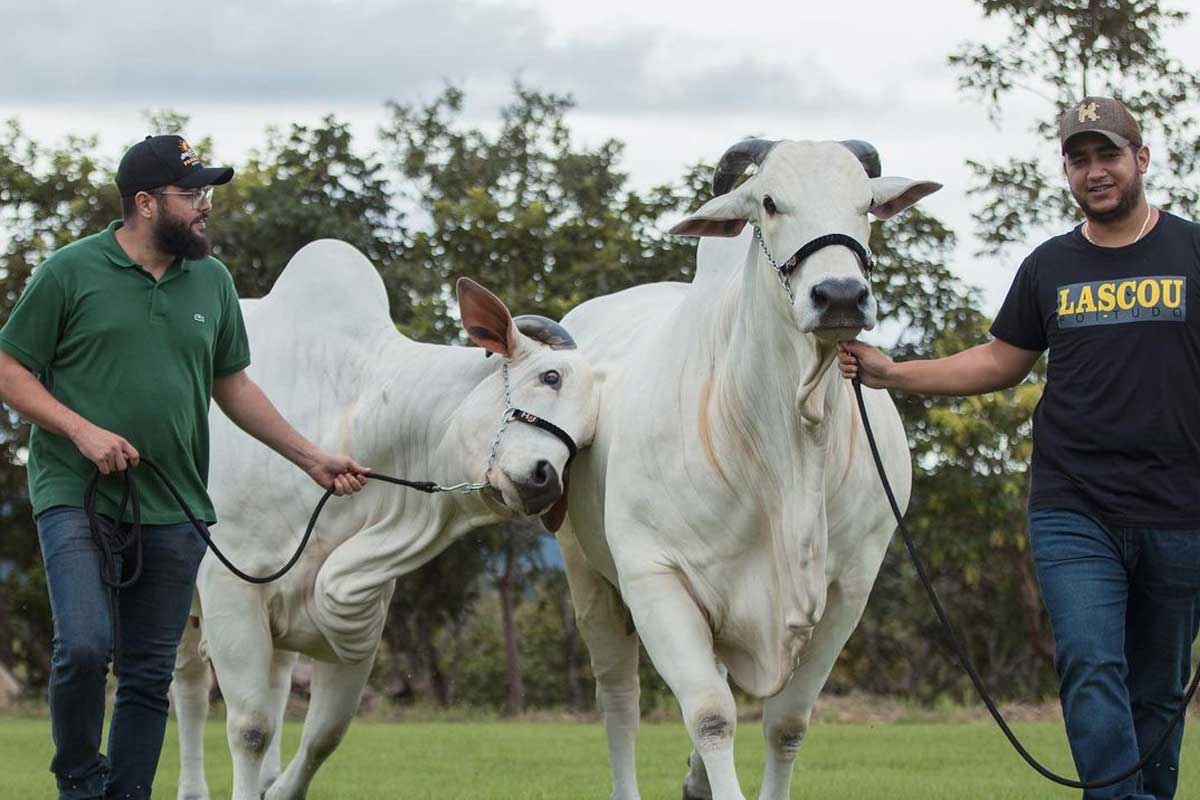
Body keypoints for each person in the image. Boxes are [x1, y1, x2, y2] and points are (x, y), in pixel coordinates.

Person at [839, 97, 1200, 800]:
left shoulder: (1193, 251)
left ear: (1142, 160)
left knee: (1158, 691)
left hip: (1181, 509)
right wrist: (894, 373)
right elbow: (1002, 360)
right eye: (1080, 159)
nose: (1095, 172)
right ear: (1066, 171)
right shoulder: (1048, 267)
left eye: (1108, 155)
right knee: (1092, 663)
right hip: (1075, 508)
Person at [0, 134, 371, 800]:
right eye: (191, 195)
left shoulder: (213, 282)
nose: (204, 208)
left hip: (174, 507)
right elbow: (8, 366)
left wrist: (312, 457)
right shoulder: (70, 272)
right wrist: (81, 431)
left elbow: (234, 387)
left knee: (147, 676)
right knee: (84, 648)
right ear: (145, 203)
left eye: (206, 195)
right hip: (75, 491)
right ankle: (81, 782)